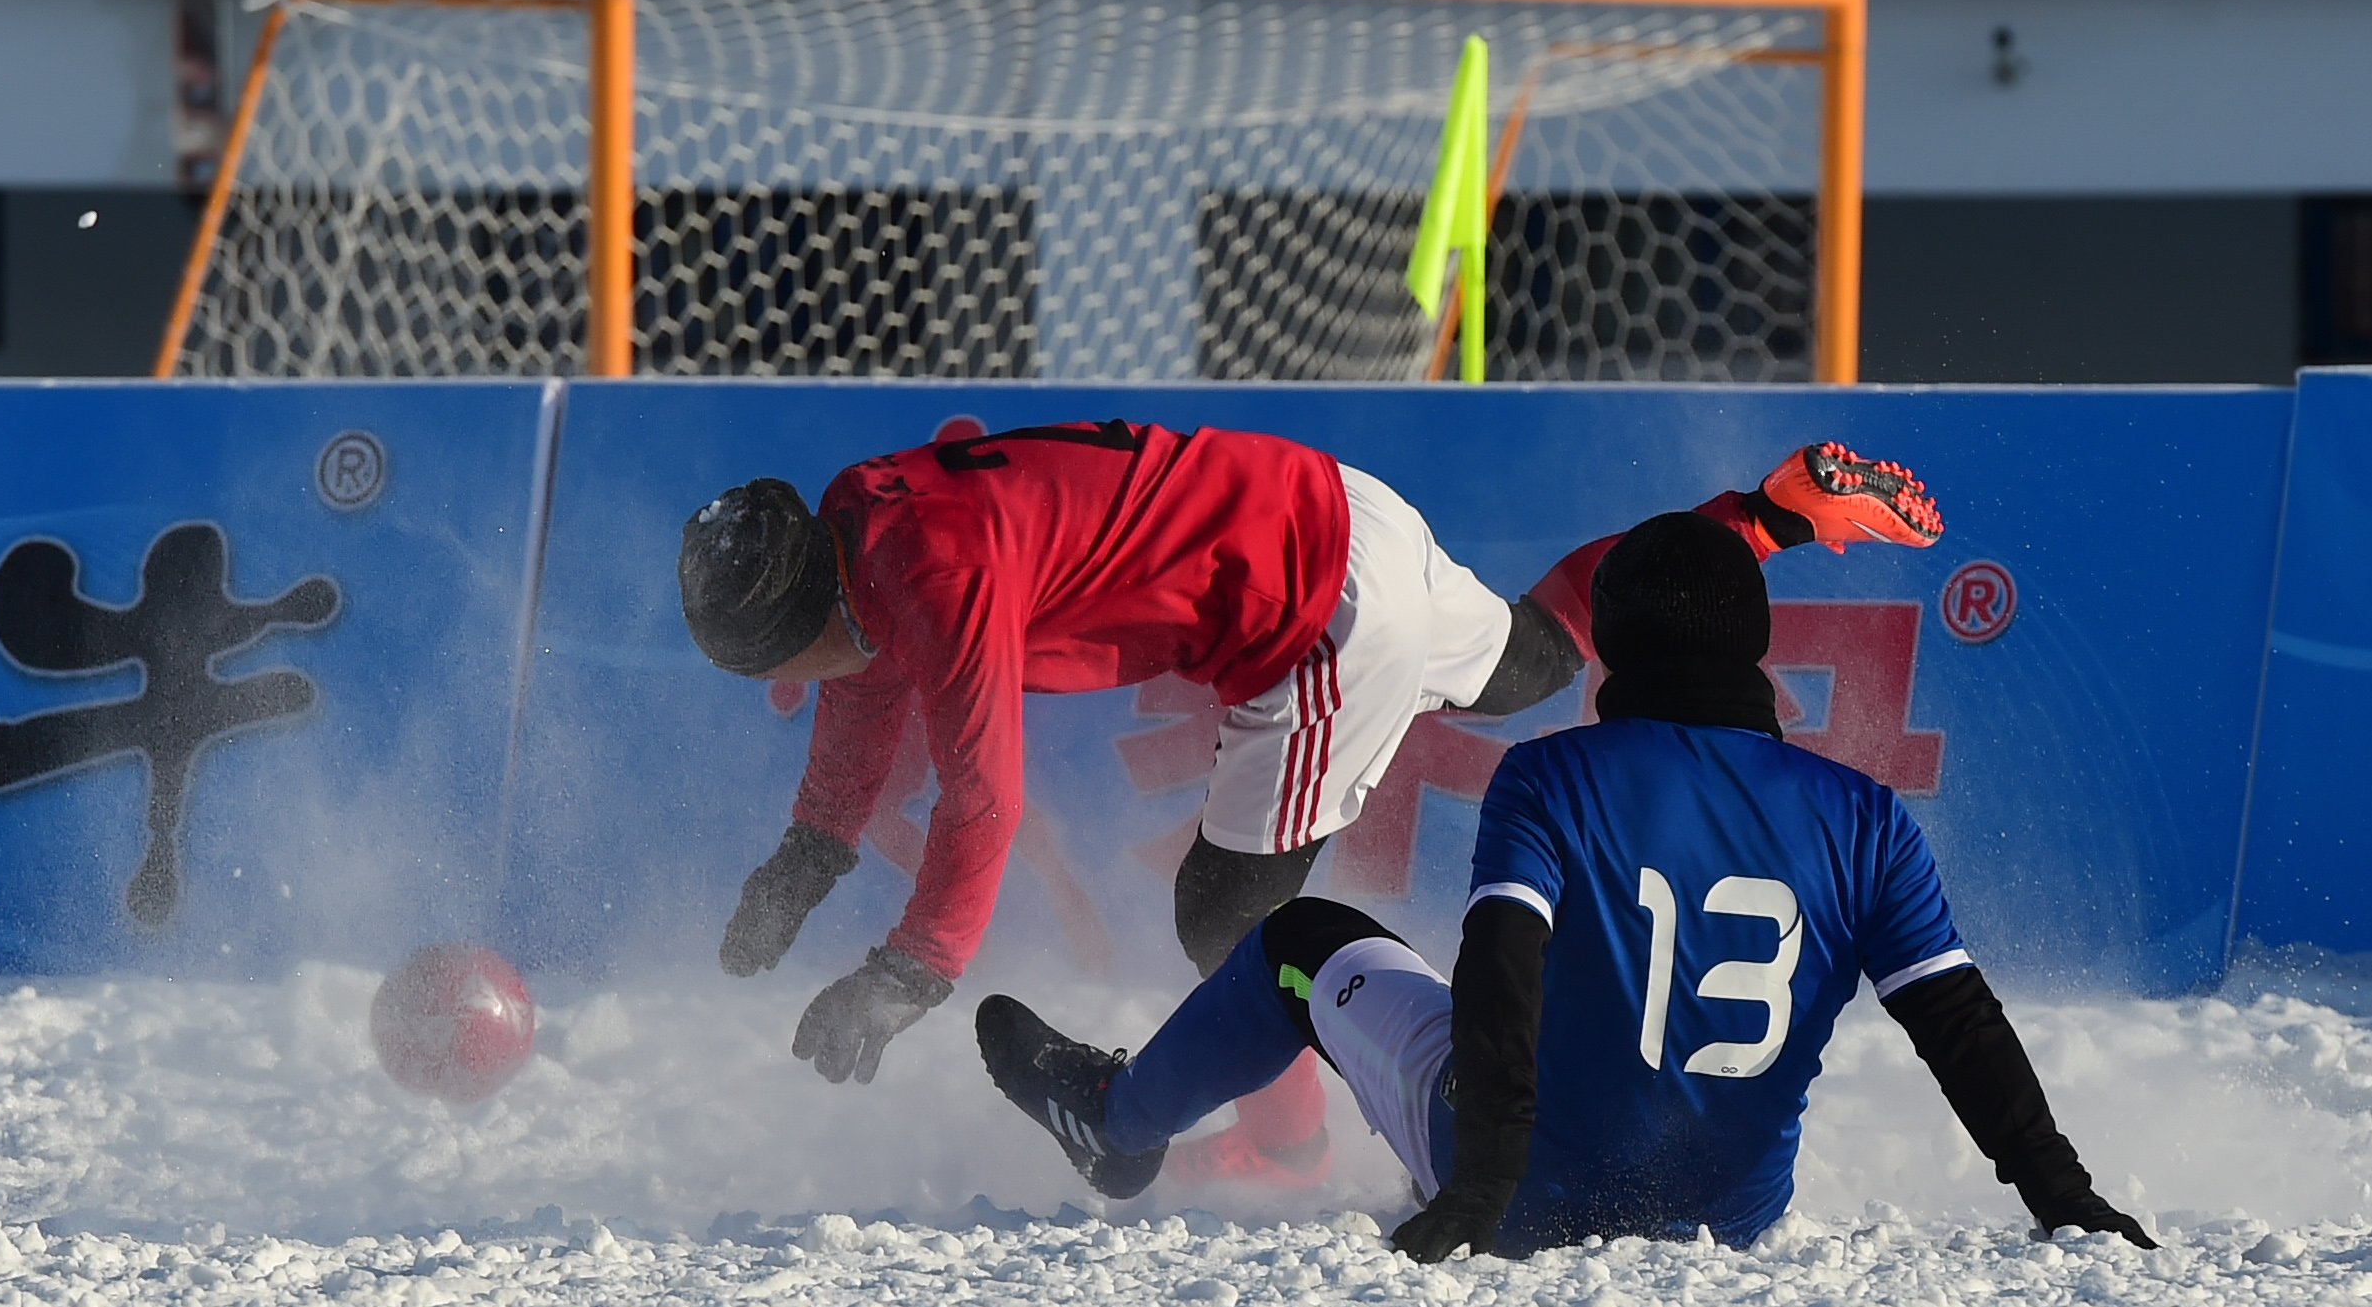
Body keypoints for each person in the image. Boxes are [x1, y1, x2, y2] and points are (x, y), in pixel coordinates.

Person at [677, 423, 1942, 1162]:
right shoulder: (859, 522)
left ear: (805, 620)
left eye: (766, 668)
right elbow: (861, 674)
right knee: (1528, 656)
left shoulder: (929, 581)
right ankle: (1770, 515)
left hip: (1313, 617)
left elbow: (979, 800)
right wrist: (812, 851)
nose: (786, 686)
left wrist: (908, 970)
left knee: (1223, 915)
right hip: (1330, 502)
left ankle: (1281, 1150)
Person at [975, 510, 2153, 1259]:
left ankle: (1119, 1125)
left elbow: (1499, 970)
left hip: (1525, 1189)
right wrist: (2061, 1190)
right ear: (1752, 647)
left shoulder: (1553, 772)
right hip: (1731, 1215)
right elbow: (1954, 1019)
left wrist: (1485, 1175)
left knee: (1295, 932)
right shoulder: (1865, 815)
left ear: (1613, 651)